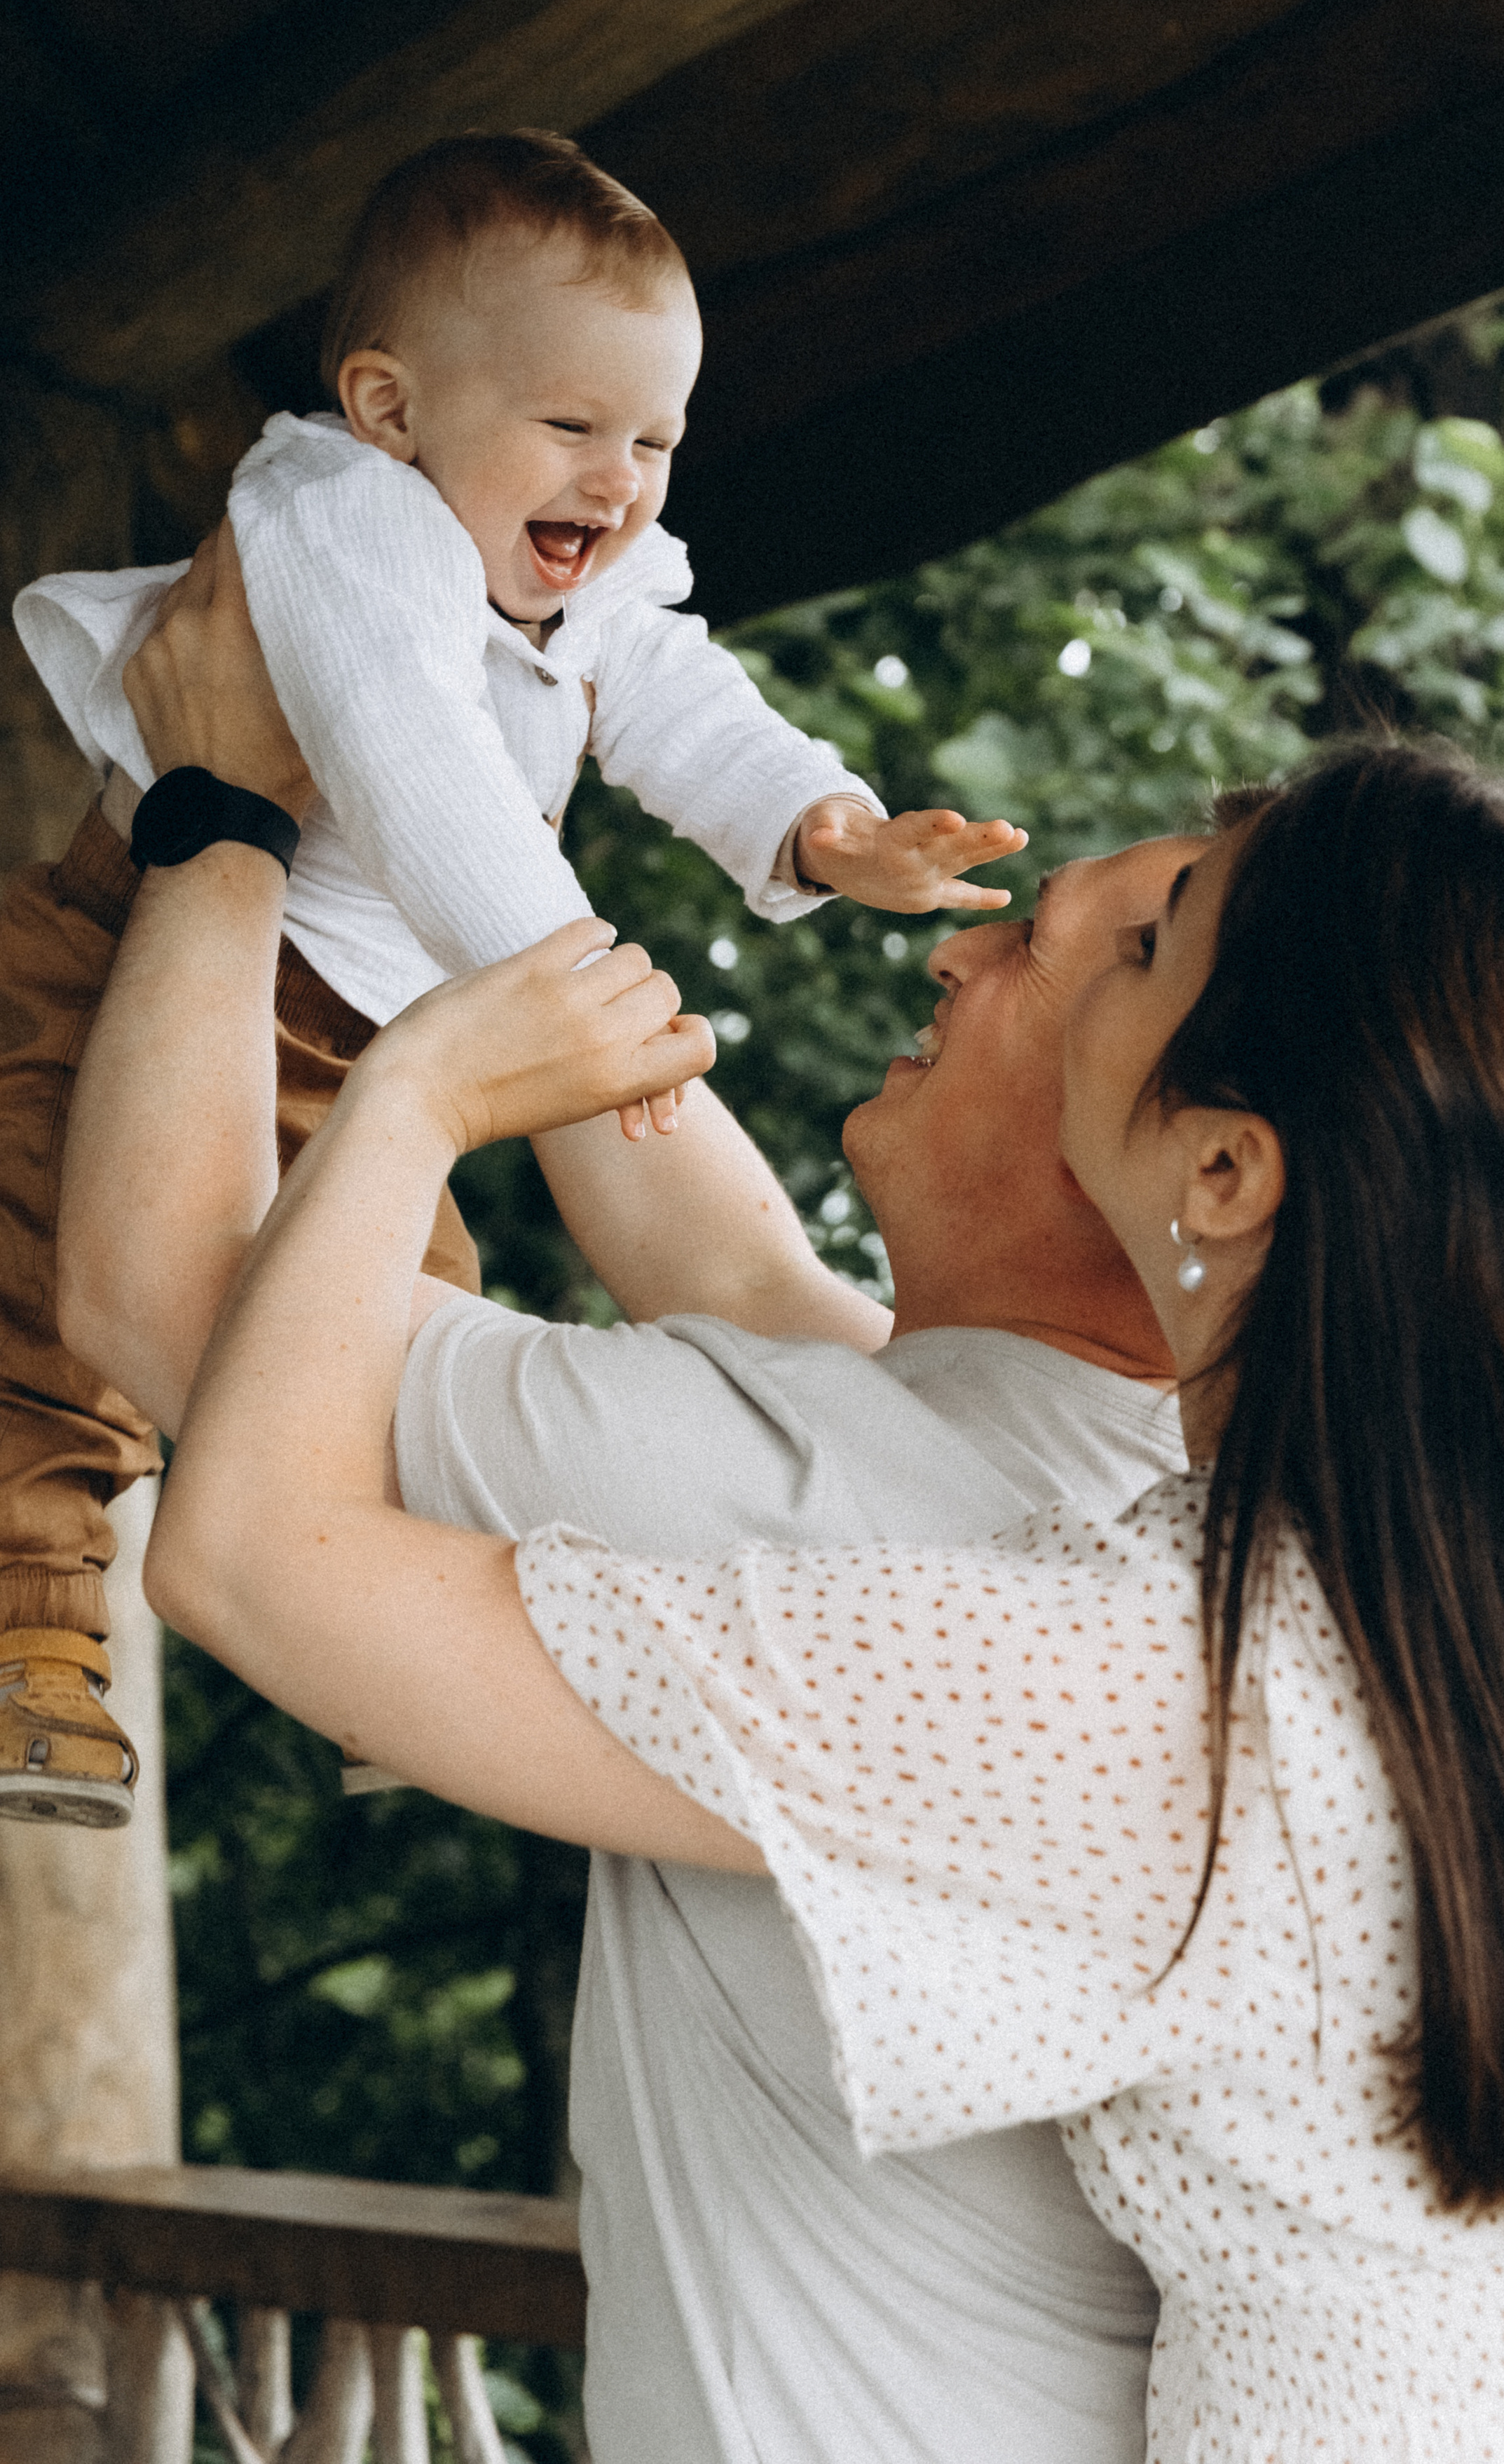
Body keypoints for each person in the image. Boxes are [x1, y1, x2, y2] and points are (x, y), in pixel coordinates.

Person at [107, 716, 1504, 2453]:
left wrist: (412, 1097)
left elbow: (248, 1562)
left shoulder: (1166, 1688)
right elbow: (751, 1282)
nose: (997, 946)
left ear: (1222, 1167)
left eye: (1145, 942)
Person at [60, 553, 1184, 2463]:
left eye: (1044, 955)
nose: (953, 947)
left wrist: (222, 811)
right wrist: (416, 733)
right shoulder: (1088, 1462)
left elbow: (163, 1296)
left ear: (1185, 1153)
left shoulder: (819, 1500)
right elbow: (727, 1248)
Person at [0, 127, 1023, 1822]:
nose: (617, 483)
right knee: (33, 1281)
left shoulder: (586, 572)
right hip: (142, 963)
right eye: (570, 427)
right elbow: (409, 760)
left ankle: (377, 1650)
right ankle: (36, 1635)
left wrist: (819, 828)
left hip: (388, 1030)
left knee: (390, 1332)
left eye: (655, 441)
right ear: (391, 406)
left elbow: (685, 705)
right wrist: (571, 988)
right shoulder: (348, 515)